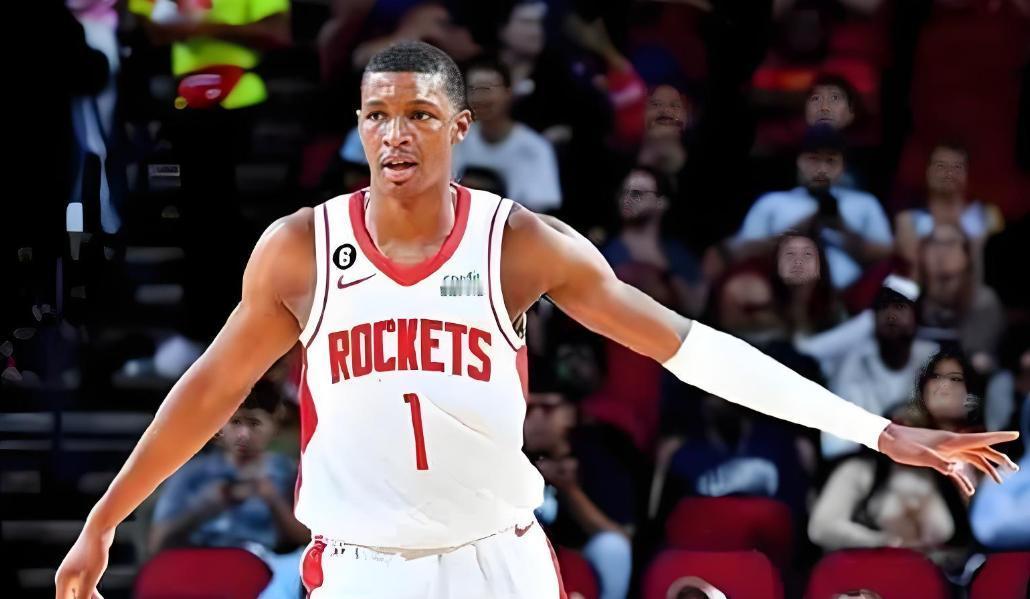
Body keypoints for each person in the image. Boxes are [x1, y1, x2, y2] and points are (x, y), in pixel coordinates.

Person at [57, 41, 1018, 599]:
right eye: (378, 114)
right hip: (363, 567)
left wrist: (876, 429)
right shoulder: (300, 250)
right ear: (357, 127)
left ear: (459, 127)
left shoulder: (519, 243)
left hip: (498, 561)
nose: (395, 133)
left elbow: (692, 349)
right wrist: (104, 522)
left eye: (419, 114)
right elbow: (208, 391)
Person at [810, 351, 985, 569]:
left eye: (918, 432)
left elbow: (963, 543)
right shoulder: (857, 470)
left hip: (931, 578)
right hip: (865, 574)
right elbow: (821, 528)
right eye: (901, 430)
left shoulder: (945, 475)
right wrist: (883, 543)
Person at [731, 125, 893, 291]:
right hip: (783, 293)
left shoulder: (864, 203)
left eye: (830, 161)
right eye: (813, 159)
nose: (822, 169)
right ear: (799, 161)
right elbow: (743, 251)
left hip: (852, 294)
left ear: (843, 166)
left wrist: (842, 228)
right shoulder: (772, 202)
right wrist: (799, 230)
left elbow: (888, 254)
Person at [524, 380, 636, 599]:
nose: (534, 418)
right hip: (521, 555)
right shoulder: (509, 453)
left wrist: (570, 490)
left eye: (546, 408)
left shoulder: (596, 458)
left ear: (569, 413)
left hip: (578, 562)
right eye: (528, 409)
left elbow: (619, 535)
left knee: (612, 547)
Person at [822, 284, 939, 459]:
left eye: (900, 307)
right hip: (867, 458)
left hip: (925, 457)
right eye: (883, 307)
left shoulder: (933, 358)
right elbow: (835, 443)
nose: (891, 315)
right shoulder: (854, 362)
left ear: (915, 316)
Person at [453, 57, 563, 212]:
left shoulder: (534, 148)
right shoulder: (455, 138)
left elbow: (538, 213)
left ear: (508, 93)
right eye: (472, 89)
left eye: (487, 89)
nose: (480, 97)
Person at [894, 142, 1004, 277]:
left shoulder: (989, 215)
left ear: (968, 173)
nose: (949, 173)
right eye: (940, 166)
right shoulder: (907, 219)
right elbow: (910, 261)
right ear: (928, 172)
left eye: (957, 167)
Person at [916, 223, 1005, 373]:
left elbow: (981, 357)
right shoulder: (912, 297)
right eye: (934, 243)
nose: (941, 251)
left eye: (949, 243)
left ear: (966, 254)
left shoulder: (982, 301)